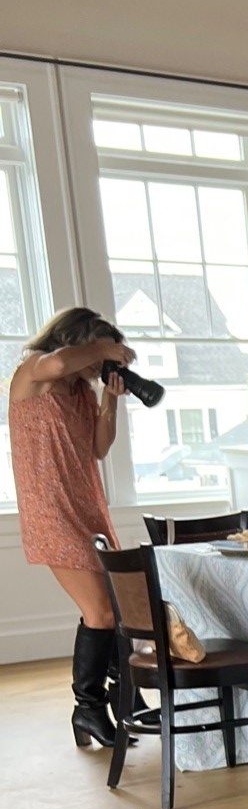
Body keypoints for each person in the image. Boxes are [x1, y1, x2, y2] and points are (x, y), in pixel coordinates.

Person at [9, 306, 141, 750]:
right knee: (100, 611)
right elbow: (60, 362)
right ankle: (88, 707)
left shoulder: (81, 392)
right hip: (50, 510)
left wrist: (110, 399)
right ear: (78, 340)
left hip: (86, 505)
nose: (99, 366)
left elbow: (99, 448)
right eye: (98, 355)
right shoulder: (34, 373)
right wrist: (106, 348)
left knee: (115, 607)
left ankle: (123, 698)